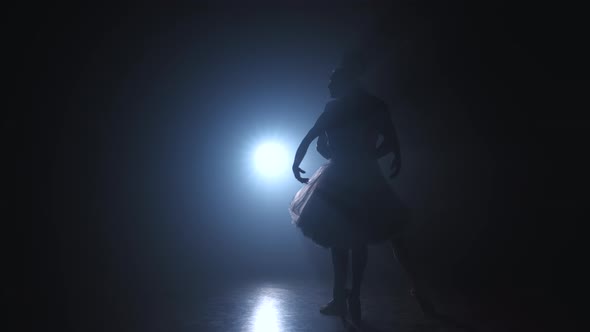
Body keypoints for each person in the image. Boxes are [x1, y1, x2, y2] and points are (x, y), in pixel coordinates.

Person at [289, 59, 415, 326]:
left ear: (345, 82)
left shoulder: (337, 107)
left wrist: (298, 161)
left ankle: (344, 297)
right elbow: (391, 141)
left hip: (342, 174)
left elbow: (311, 136)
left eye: (333, 82)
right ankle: (350, 295)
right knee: (353, 236)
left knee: (344, 236)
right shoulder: (372, 105)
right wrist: (374, 157)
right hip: (363, 175)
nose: (330, 86)